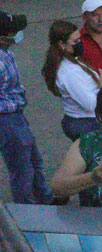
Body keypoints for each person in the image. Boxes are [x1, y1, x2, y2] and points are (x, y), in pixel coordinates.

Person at [0, 11, 53, 205]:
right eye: (13, 31)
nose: (18, 34)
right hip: (7, 119)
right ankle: (25, 210)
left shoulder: (6, 53)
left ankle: (44, 199)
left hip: (16, 116)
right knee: (22, 170)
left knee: (34, 161)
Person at [42, 20, 102, 141]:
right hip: (86, 123)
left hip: (85, 121)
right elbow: (90, 104)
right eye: (75, 41)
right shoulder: (69, 72)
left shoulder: (71, 60)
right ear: (62, 44)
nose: (80, 44)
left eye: (79, 39)